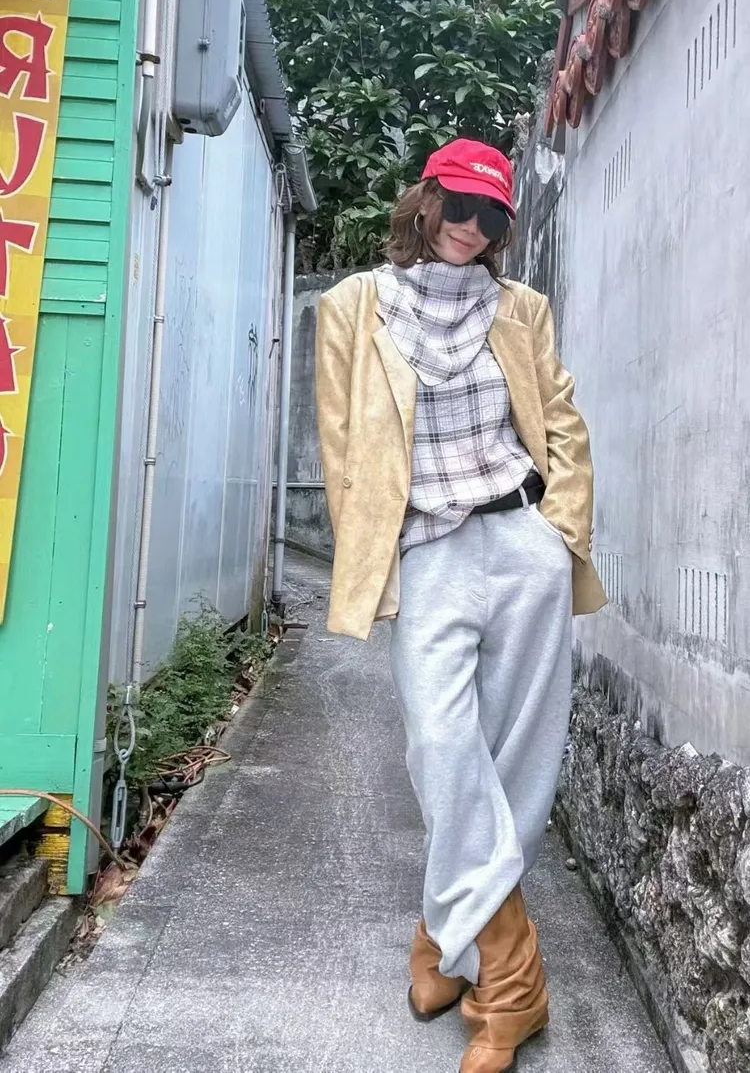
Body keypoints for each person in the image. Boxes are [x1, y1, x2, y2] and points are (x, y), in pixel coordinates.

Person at [315, 137, 606, 1073]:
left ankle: (444, 944)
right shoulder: (355, 306)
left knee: (517, 762)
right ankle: (514, 982)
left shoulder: (521, 310)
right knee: (443, 748)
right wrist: (376, 560)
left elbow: (562, 426)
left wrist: (559, 534)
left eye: (491, 215)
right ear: (425, 202)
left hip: (522, 544)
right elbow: (342, 450)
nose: (471, 227)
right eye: (458, 206)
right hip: (430, 551)